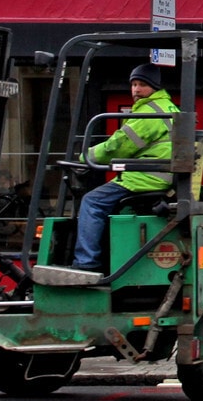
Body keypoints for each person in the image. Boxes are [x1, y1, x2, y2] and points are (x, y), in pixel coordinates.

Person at [61, 62, 180, 277]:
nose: (136, 90)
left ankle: (86, 264)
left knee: (92, 201)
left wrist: (85, 156)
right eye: (133, 84)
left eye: (142, 84)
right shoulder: (169, 107)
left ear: (154, 87)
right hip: (159, 176)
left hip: (144, 178)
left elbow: (119, 145)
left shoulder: (148, 112)